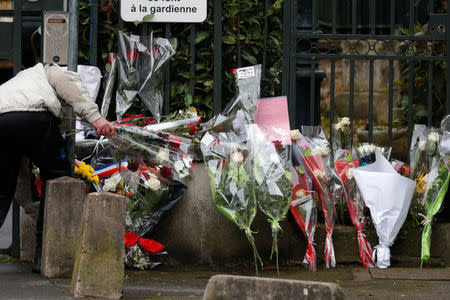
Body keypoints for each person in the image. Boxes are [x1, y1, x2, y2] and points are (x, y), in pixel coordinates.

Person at [0, 63, 115, 272]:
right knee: (57, 177)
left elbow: (21, 179)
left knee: (2, 189)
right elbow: (68, 86)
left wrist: (31, 208)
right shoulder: (50, 70)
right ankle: (44, 257)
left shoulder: (19, 83)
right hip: (34, 116)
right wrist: (95, 118)